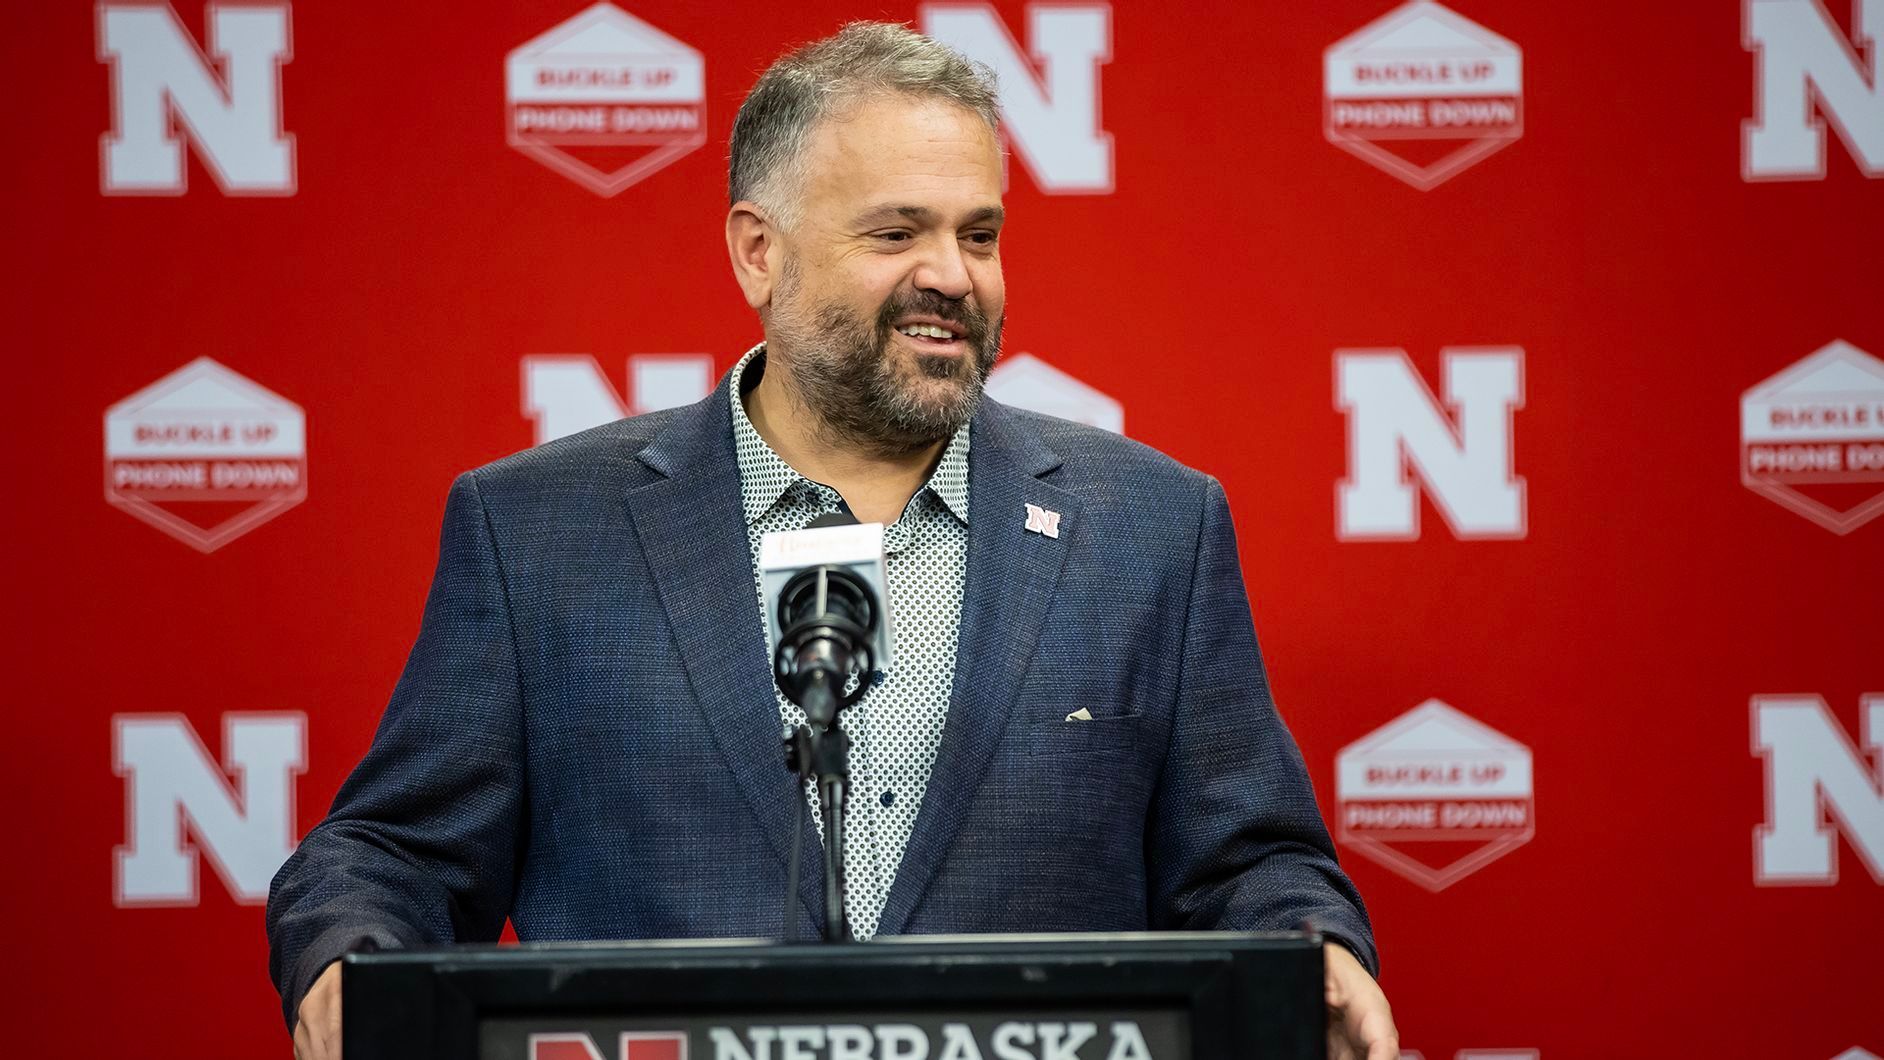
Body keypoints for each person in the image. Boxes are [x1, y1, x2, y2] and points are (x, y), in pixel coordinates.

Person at [267, 22, 1398, 1060]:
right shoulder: (538, 531)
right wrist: (351, 951)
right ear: (758, 252)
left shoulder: (1152, 526)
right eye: (898, 231)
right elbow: (397, 852)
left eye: (980, 234)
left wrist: (1316, 943)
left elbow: (1252, 863)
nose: (952, 276)